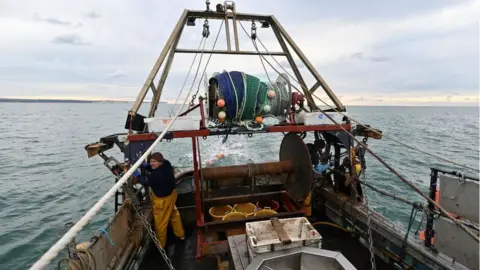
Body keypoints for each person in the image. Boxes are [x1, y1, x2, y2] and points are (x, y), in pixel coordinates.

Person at [132, 152, 185, 248]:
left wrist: (138, 175)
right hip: (172, 196)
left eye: (154, 161)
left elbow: (145, 182)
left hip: (162, 201)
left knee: (161, 224)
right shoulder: (167, 164)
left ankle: (161, 245)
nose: (152, 163)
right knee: (174, 215)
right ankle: (181, 235)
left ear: (160, 162)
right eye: (151, 161)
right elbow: (153, 167)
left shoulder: (155, 176)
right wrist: (147, 166)